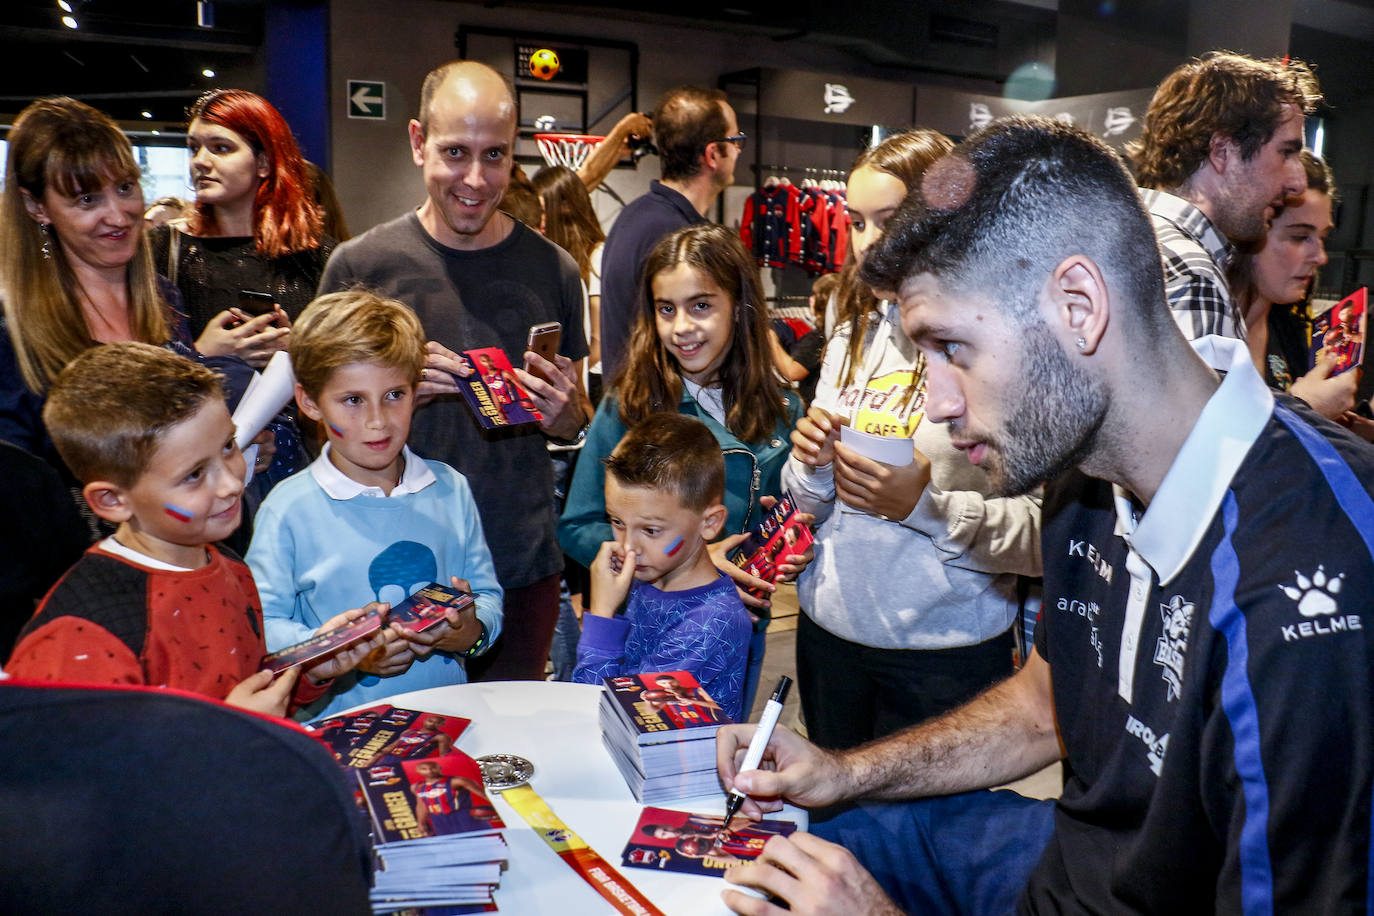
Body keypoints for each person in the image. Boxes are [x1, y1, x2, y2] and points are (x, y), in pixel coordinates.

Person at [715, 117, 1374, 915]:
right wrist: (842, 771)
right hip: (1065, 866)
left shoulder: (1309, 581)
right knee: (764, 860)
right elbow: (1039, 707)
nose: (936, 402)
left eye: (952, 349)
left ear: (1078, 305)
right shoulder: (1082, 470)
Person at [318, 60, 589, 683]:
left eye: (494, 155)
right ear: (419, 142)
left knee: (510, 730)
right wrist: (391, 397)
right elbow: (319, 424)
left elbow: (575, 420)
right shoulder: (359, 268)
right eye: (455, 152)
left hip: (518, 559)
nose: (475, 178)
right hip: (387, 562)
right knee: (398, 733)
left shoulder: (554, 270)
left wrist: (564, 414)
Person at [786, 129, 1041, 751]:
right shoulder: (850, 334)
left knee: (932, 817)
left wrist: (926, 510)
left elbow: (1042, 535)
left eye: (888, 219)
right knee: (835, 807)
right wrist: (811, 465)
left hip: (944, 653)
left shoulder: (1005, 348)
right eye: (856, 222)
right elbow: (808, 507)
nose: (867, 242)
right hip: (829, 635)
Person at [4, 343, 384, 717]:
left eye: (228, 446)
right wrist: (232, 729)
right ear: (112, 500)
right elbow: (76, 758)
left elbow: (247, 690)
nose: (231, 484)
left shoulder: (231, 567)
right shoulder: (82, 634)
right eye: (194, 475)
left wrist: (308, 668)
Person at [559, 224, 806, 713]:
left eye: (701, 306)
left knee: (717, 742)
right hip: (647, 626)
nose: (681, 328)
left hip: (742, 627)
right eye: (666, 309)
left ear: (739, 305)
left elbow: (781, 514)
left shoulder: (782, 408)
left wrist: (789, 548)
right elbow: (578, 524)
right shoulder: (629, 405)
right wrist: (694, 560)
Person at [0, 96, 279, 529]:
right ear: (37, 207)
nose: (118, 215)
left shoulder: (164, 298)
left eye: (125, 188)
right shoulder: (11, 333)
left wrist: (226, 448)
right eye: (87, 199)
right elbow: (18, 494)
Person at [247, 290, 504, 717]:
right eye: (353, 400)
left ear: (416, 390)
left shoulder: (450, 488)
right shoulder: (287, 508)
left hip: (449, 721)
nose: (377, 420)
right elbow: (264, 627)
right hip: (340, 731)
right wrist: (345, 651)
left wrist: (469, 633)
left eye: (394, 395)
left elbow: (486, 597)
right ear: (309, 402)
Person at [1127, 51, 1322, 341]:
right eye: (1285, 153)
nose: (1298, 183)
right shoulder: (1192, 276)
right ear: (1222, 151)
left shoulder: (1120, 242)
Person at [572, 413, 752, 722]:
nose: (629, 547)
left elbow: (611, 716)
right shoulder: (650, 575)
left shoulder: (710, 624)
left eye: (651, 530)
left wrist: (602, 615)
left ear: (710, 523)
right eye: (617, 522)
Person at [151, 88, 335, 366]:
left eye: (221, 148)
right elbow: (132, 362)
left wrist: (296, 351)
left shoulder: (319, 257)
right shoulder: (161, 249)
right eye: (194, 148)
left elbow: (348, 365)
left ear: (263, 162)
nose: (200, 161)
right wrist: (201, 353)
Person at [599, 86, 744, 380]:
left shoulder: (635, 214)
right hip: (662, 403)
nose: (739, 150)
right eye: (735, 141)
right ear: (713, 154)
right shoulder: (679, 239)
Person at [1232, 150, 1360, 424]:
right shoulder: (1203, 325)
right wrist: (1306, 409)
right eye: (1300, 237)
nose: (1321, 257)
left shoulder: (1289, 325)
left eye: (1323, 237)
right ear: (1249, 231)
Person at [788, 272, 841, 406]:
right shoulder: (837, 334)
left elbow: (793, 372)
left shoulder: (819, 337)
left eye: (815, 295)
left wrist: (772, 341)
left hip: (814, 405)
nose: (811, 299)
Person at [410, 760, 494, 837]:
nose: (429, 771)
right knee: (453, 845)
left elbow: (486, 795)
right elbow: (422, 805)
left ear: (439, 768)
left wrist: (499, 810)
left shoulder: (457, 781)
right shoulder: (417, 787)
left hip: (463, 816)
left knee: (480, 841)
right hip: (439, 820)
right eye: (424, 769)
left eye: (433, 768)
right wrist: (421, 823)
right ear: (418, 771)